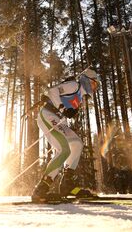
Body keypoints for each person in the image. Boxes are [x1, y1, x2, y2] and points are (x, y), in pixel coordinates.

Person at [31, 67, 101, 202]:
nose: (93, 88)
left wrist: (68, 112)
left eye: (95, 86)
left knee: (76, 144)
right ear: (87, 80)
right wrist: (63, 108)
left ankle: (67, 185)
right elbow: (52, 91)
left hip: (57, 119)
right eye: (93, 84)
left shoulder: (80, 96)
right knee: (63, 149)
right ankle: (41, 189)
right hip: (47, 115)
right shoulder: (75, 85)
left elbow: (65, 107)